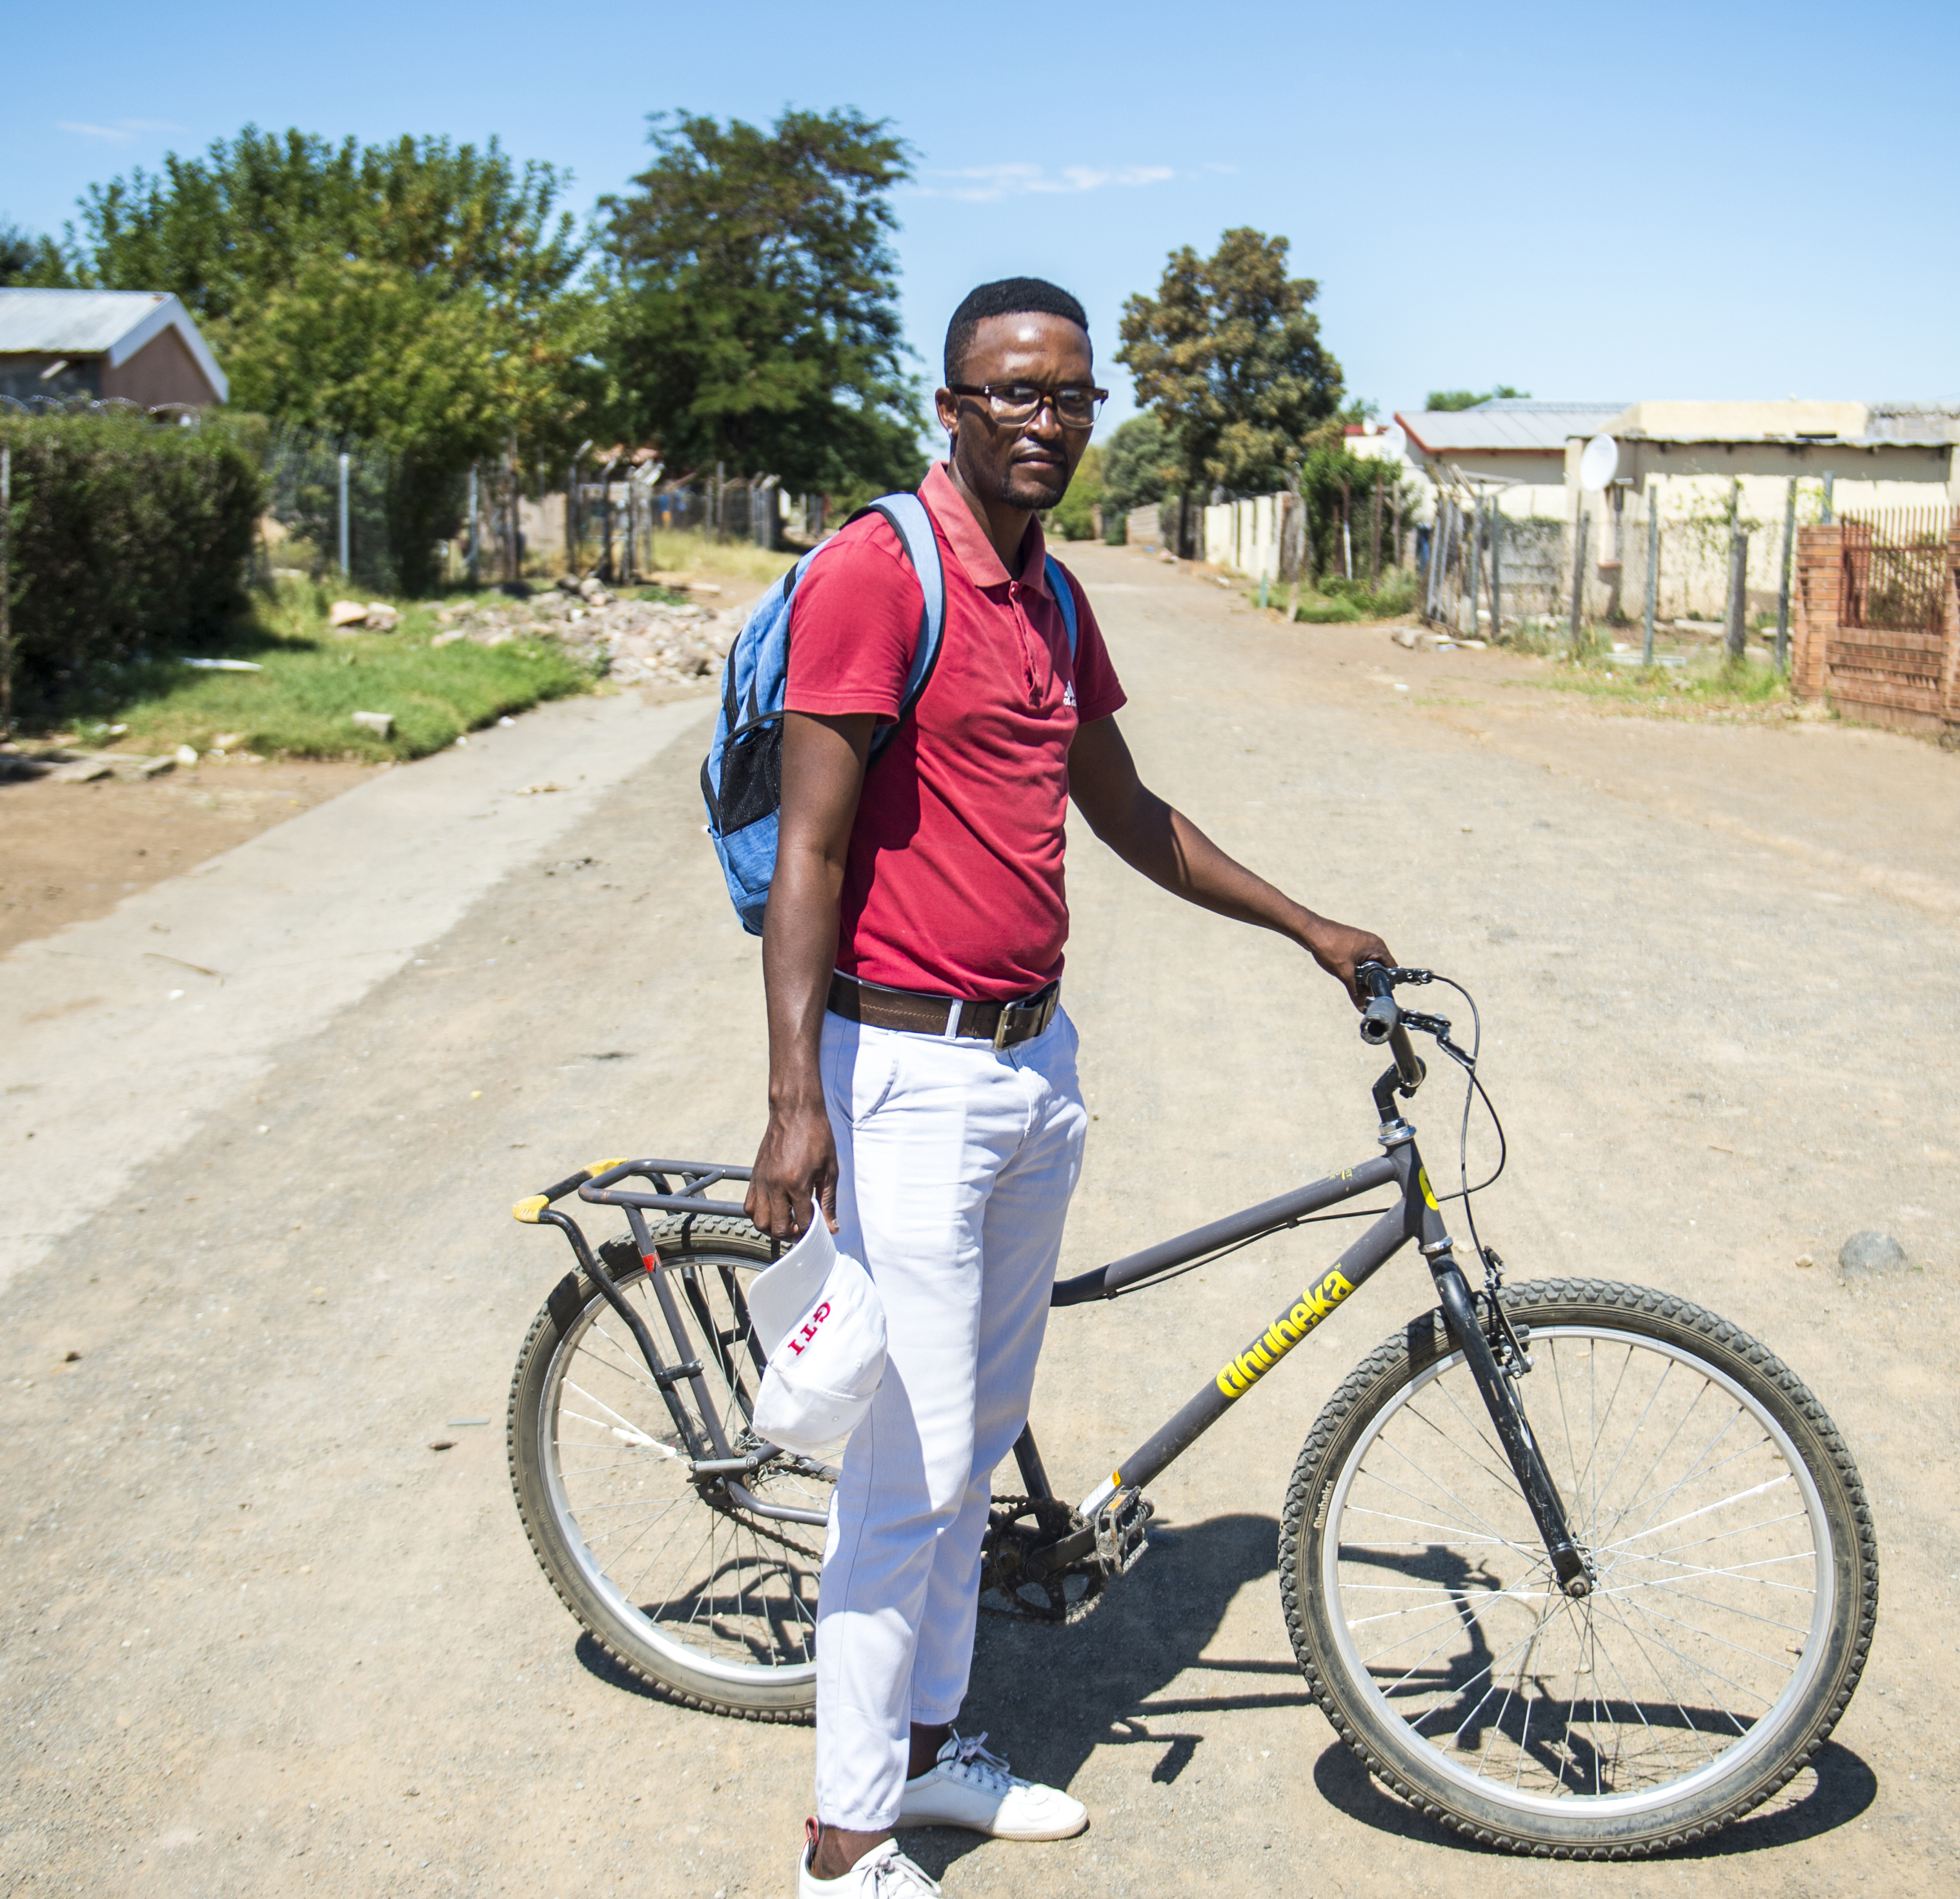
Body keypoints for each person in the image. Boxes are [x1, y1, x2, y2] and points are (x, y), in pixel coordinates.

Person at [744, 276, 1390, 1898]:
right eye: (1016, 391)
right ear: (951, 405)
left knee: (974, 1443)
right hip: (903, 1070)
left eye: (1073, 395)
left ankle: (927, 1746)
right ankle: (842, 1840)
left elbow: (1129, 810)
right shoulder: (880, 572)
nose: (1049, 419)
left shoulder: (1050, 592)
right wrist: (794, 1097)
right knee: (908, 1474)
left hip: (1032, 1062)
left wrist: (1310, 926)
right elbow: (812, 847)